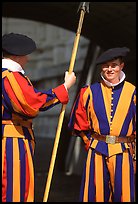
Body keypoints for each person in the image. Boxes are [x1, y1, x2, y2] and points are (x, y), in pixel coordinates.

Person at [2, 32, 76, 202]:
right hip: (12, 139)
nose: (27, 59)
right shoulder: (9, 77)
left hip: (15, 136)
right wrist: (64, 88)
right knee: (14, 190)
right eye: (25, 55)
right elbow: (31, 104)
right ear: (17, 56)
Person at [68, 47, 136, 202]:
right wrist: (89, 142)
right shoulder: (89, 92)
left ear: (121, 66)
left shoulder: (133, 92)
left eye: (114, 65)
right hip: (96, 151)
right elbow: (78, 122)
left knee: (124, 196)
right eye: (106, 66)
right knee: (94, 195)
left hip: (124, 152)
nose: (110, 69)